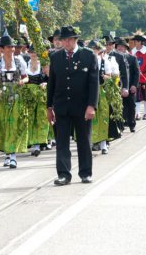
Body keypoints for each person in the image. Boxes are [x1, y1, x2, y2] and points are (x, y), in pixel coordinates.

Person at [47, 26, 99, 186]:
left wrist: (92, 105)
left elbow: (93, 83)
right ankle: (63, 174)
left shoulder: (88, 55)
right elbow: (52, 83)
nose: (66, 43)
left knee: (84, 140)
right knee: (62, 142)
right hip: (61, 106)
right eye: (63, 40)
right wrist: (49, 106)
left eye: (69, 39)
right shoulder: (55, 57)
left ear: (75, 40)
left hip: (82, 106)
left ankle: (85, 172)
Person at [0, 32, 29, 168]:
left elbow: (26, 77)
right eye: (8, 47)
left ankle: (13, 155)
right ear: (2, 49)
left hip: (16, 96)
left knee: (14, 124)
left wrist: (22, 81)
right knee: (4, 125)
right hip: (2, 97)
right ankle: (7, 154)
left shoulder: (19, 60)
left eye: (12, 47)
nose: (11, 50)